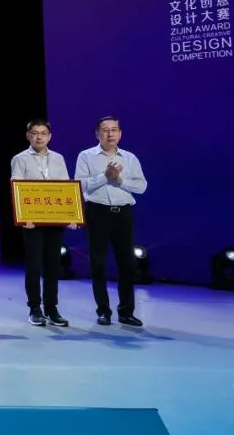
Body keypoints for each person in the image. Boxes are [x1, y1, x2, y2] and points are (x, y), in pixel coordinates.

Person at [74, 116, 148, 327]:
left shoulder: (130, 158)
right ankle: (103, 311)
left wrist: (119, 180)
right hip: (97, 213)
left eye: (114, 130)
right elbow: (79, 185)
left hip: (123, 214)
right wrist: (105, 177)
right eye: (105, 130)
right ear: (97, 134)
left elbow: (141, 187)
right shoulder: (86, 156)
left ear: (120, 134)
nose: (110, 134)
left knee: (127, 264)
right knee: (98, 263)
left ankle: (126, 312)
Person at [11, 119, 74, 327]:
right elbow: (17, 188)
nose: (39, 137)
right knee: (34, 265)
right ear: (28, 136)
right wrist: (24, 216)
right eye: (35, 133)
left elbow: (66, 188)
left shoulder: (58, 158)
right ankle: (34, 308)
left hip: (54, 219)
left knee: (53, 266)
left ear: (50, 136)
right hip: (32, 221)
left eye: (43, 133)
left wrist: (70, 216)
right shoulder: (20, 159)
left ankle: (52, 308)